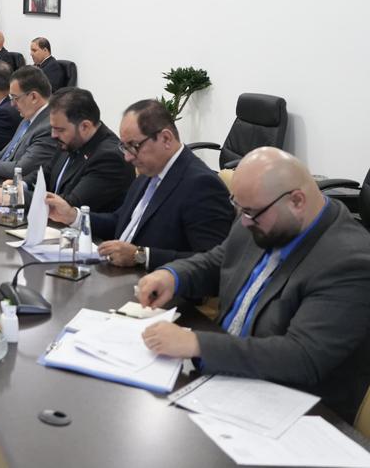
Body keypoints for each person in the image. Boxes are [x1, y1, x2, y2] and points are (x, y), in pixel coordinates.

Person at [137, 148, 370, 422]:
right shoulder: (263, 215)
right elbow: (220, 260)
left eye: (250, 213)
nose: (244, 222)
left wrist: (197, 344)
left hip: (292, 407)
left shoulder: (350, 261)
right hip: (224, 377)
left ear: (297, 201)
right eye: (241, 209)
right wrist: (173, 276)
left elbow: (301, 357)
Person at [46, 99, 233, 271]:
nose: (127, 157)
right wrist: (73, 216)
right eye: (124, 147)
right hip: (118, 274)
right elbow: (119, 222)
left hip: (157, 287)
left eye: (133, 146)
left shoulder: (201, 185)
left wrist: (142, 256)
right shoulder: (149, 171)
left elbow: (215, 262)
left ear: (166, 139)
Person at [42, 88, 132, 212]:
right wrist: (21, 186)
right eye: (53, 128)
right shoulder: (69, 141)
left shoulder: (109, 158)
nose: (53, 135)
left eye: (60, 129)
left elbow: (69, 206)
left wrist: (21, 196)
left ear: (85, 126)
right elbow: (44, 175)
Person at [0, 65, 56, 186]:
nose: (12, 104)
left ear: (33, 97)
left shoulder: (49, 127)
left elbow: (20, 169)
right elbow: (6, 155)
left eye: (15, 98)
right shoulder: (27, 118)